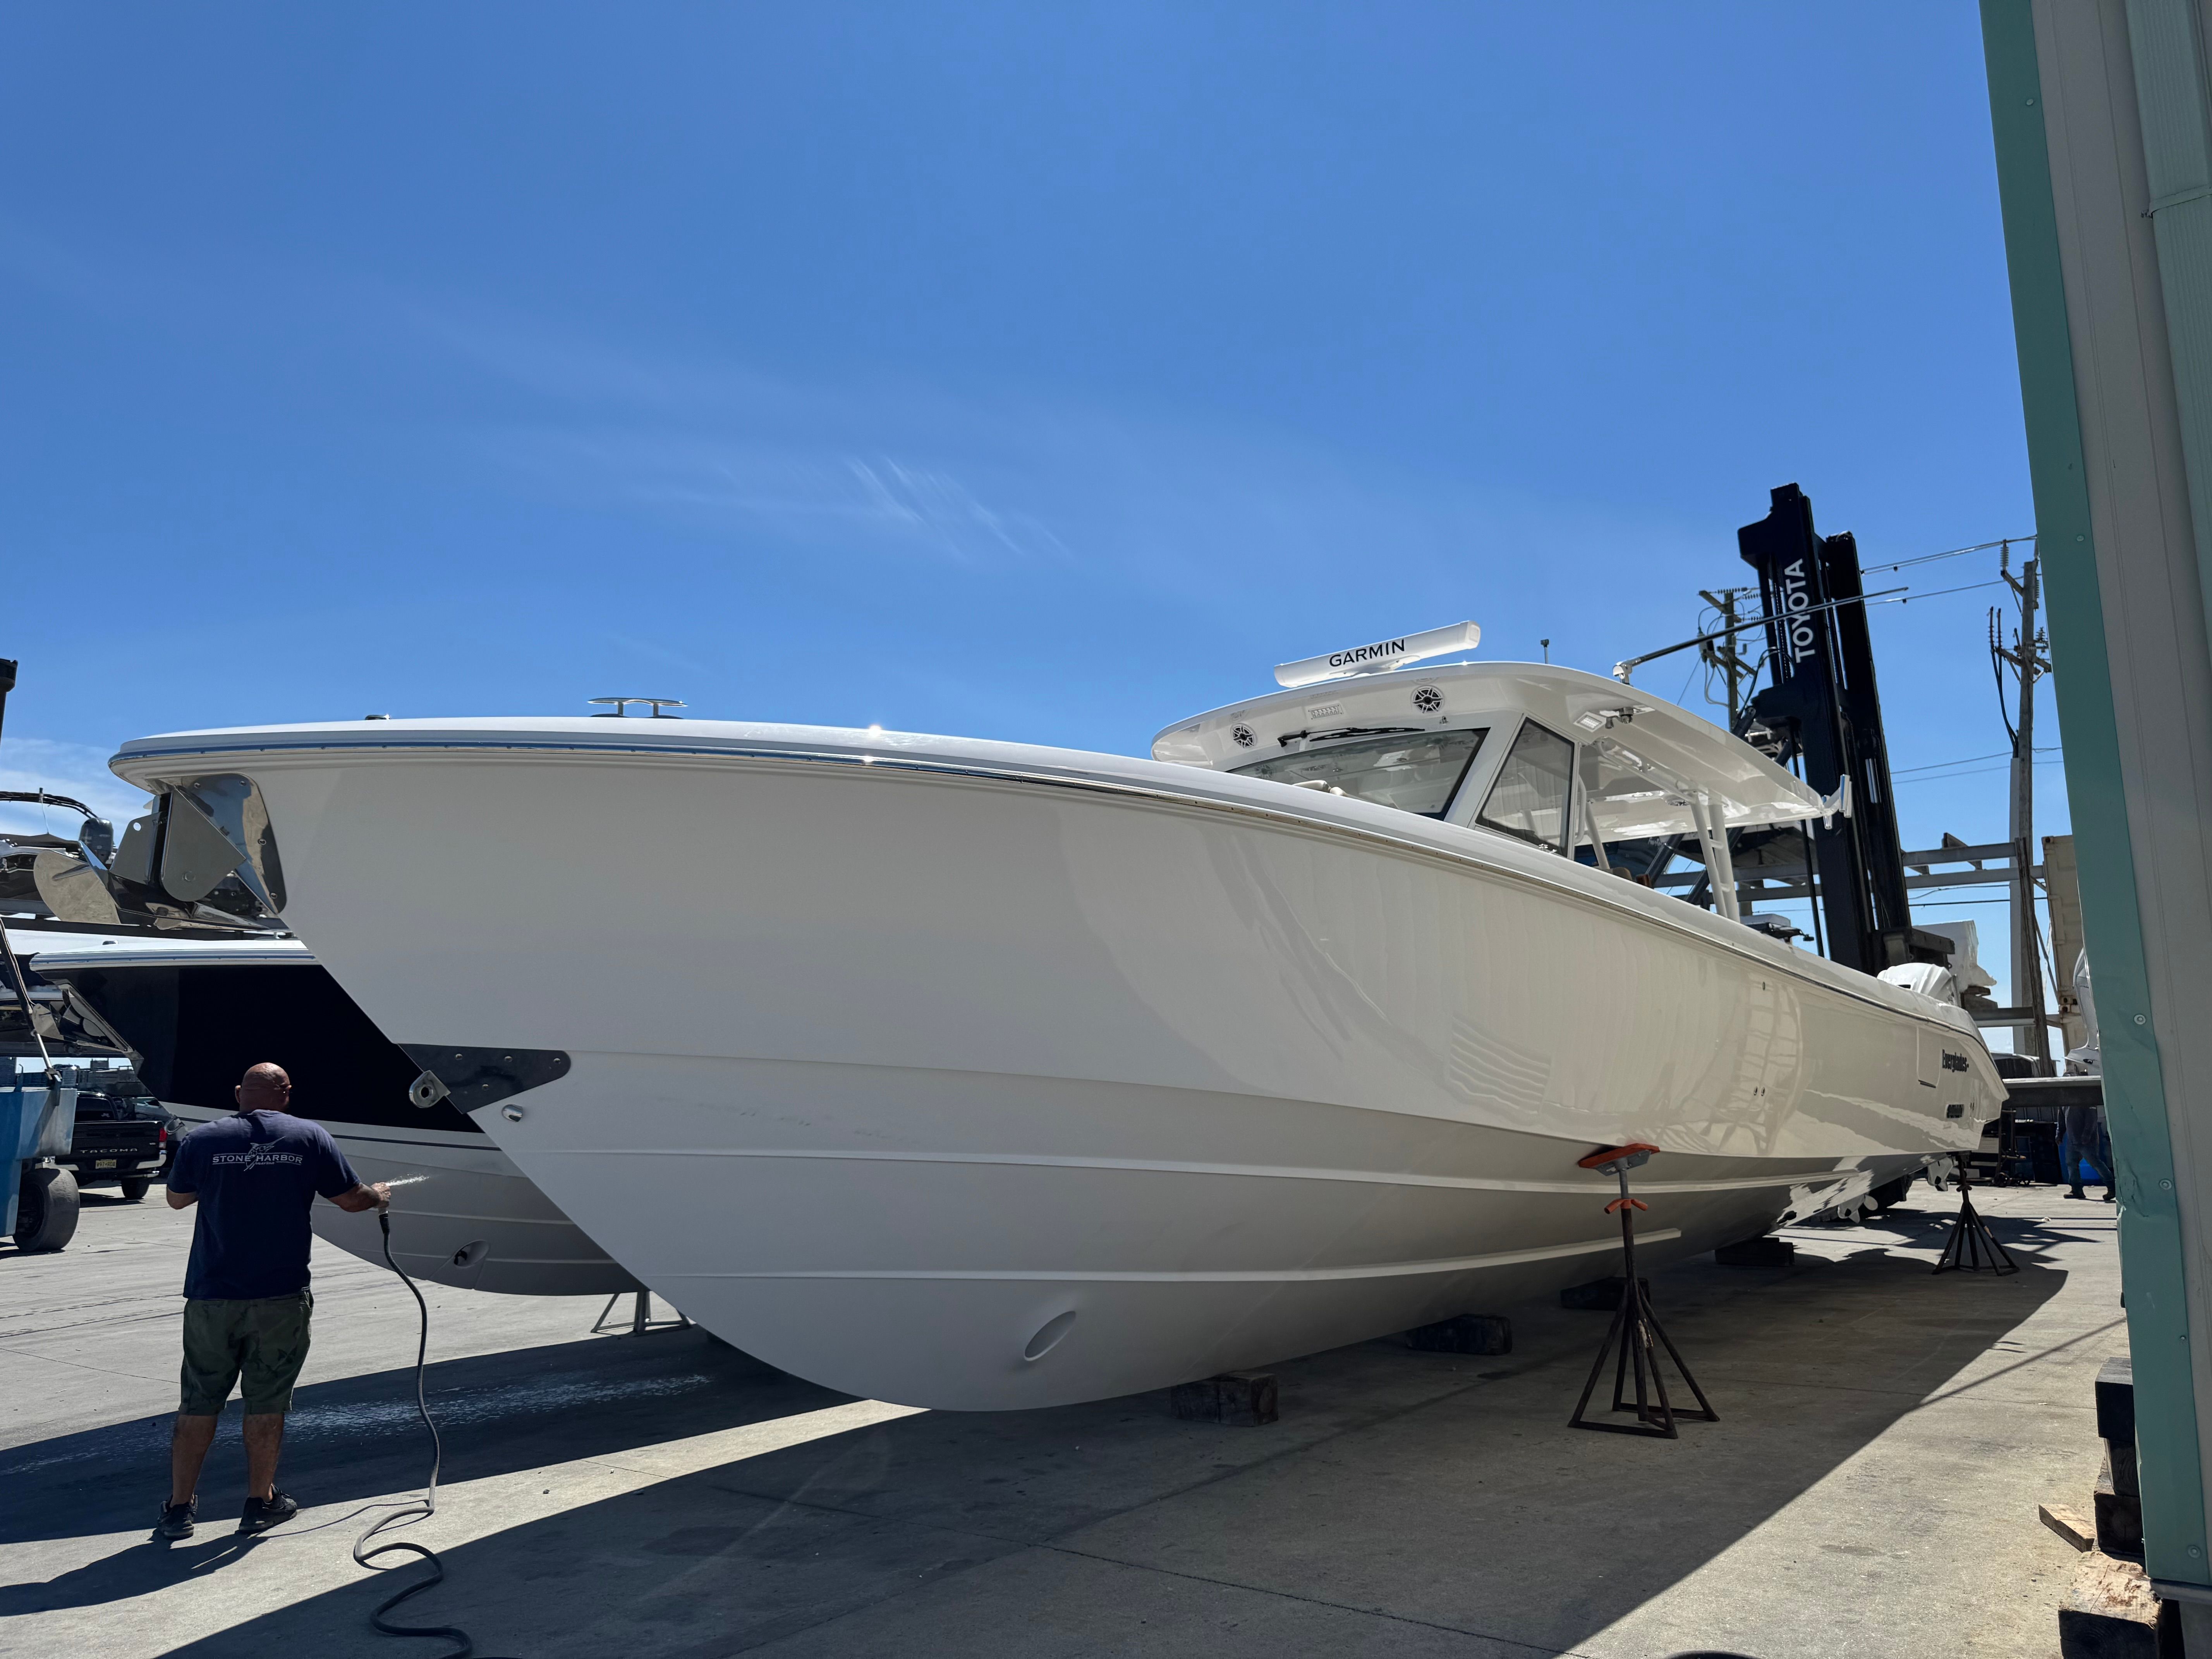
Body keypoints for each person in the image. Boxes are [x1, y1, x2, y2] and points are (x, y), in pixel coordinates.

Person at [158, 1062, 389, 1540]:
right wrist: (380, 1196)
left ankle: (179, 1510)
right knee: (266, 1402)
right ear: (286, 1095)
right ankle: (260, 1502)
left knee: (199, 1402)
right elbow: (351, 1200)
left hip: (212, 1295)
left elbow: (177, 1200)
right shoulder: (308, 1137)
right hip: (280, 1297)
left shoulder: (204, 1139)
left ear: (240, 1092)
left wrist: (226, 1181)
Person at [2062, 1097, 2115, 1204]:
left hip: (2087, 1141)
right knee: (2071, 1164)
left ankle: (2112, 1188)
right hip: (2072, 1139)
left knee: (2095, 1163)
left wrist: (2087, 1134)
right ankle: (2076, 1190)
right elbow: (2061, 1118)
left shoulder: (2086, 1099)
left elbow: (2092, 1118)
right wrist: (2059, 1134)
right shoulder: (2064, 1102)